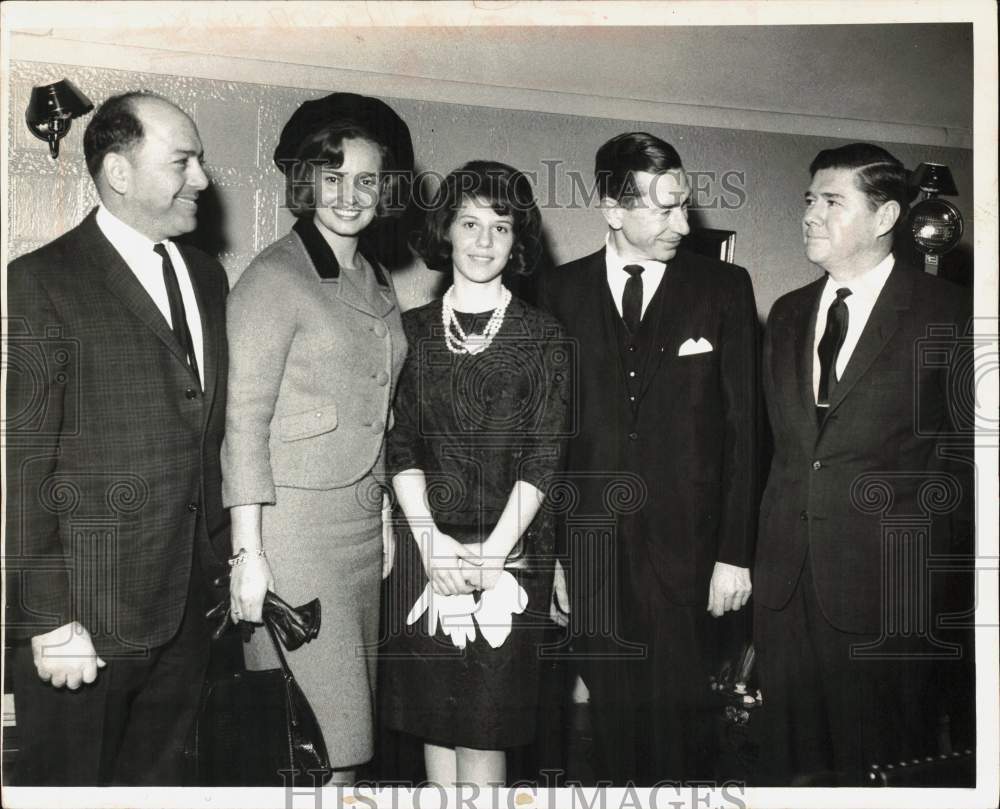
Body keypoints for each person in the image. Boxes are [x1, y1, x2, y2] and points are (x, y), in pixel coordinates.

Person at [4, 91, 230, 785]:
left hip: (189, 611)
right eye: (183, 162)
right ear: (119, 172)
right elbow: (23, 463)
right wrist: (49, 619)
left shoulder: (204, 274)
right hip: (87, 625)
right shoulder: (41, 281)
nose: (202, 179)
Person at [538, 132, 759, 784]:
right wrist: (552, 552)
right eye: (662, 209)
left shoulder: (723, 286)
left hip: (691, 553)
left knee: (685, 727)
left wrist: (734, 552)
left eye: (683, 206)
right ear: (612, 207)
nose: (682, 224)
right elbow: (550, 435)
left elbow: (746, 429)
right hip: (591, 551)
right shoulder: (556, 291)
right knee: (610, 723)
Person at [753, 142, 974, 785]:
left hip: (888, 595)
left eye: (831, 202)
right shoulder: (788, 312)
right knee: (790, 768)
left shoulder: (949, 312)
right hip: (785, 586)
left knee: (876, 769)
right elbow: (783, 450)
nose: (810, 215)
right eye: (808, 201)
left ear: (884, 219)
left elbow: (968, 459)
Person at [220, 92, 412, 783]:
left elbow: (379, 409)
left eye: (367, 180)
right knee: (315, 739)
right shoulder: (273, 278)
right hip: (292, 530)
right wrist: (249, 553)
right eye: (333, 178)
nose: (350, 195)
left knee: (349, 733)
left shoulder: (375, 277)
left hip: (360, 529)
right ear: (306, 182)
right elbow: (241, 422)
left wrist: (385, 514)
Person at [380, 161, 571, 786]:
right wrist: (431, 542)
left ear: (519, 241)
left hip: (510, 551)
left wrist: (493, 554)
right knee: (437, 720)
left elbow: (545, 454)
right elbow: (399, 445)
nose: (484, 241)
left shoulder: (544, 336)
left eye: (501, 226)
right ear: (446, 232)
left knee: (485, 728)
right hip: (426, 547)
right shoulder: (408, 332)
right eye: (469, 223)